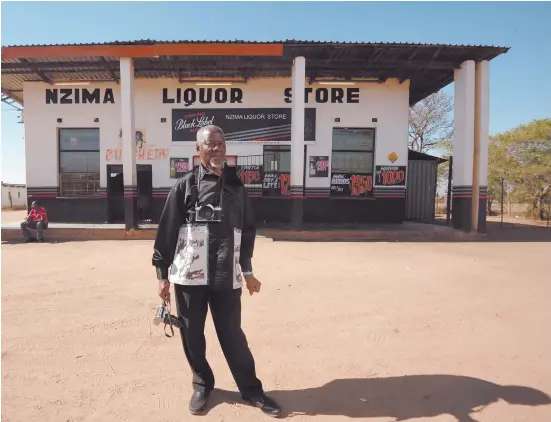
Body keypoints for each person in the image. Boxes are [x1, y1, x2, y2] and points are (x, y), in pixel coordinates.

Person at [152, 125, 282, 417]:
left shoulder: (237, 187)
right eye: (210, 144)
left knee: (232, 335)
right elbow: (167, 232)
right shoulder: (184, 186)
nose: (217, 148)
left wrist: (247, 271)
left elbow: (247, 230)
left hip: (226, 275)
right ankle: (202, 384)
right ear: (198, 150)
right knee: (193, 334)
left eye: (221, 143)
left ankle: (251, 390)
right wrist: (162, 276)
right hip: (189, 277)